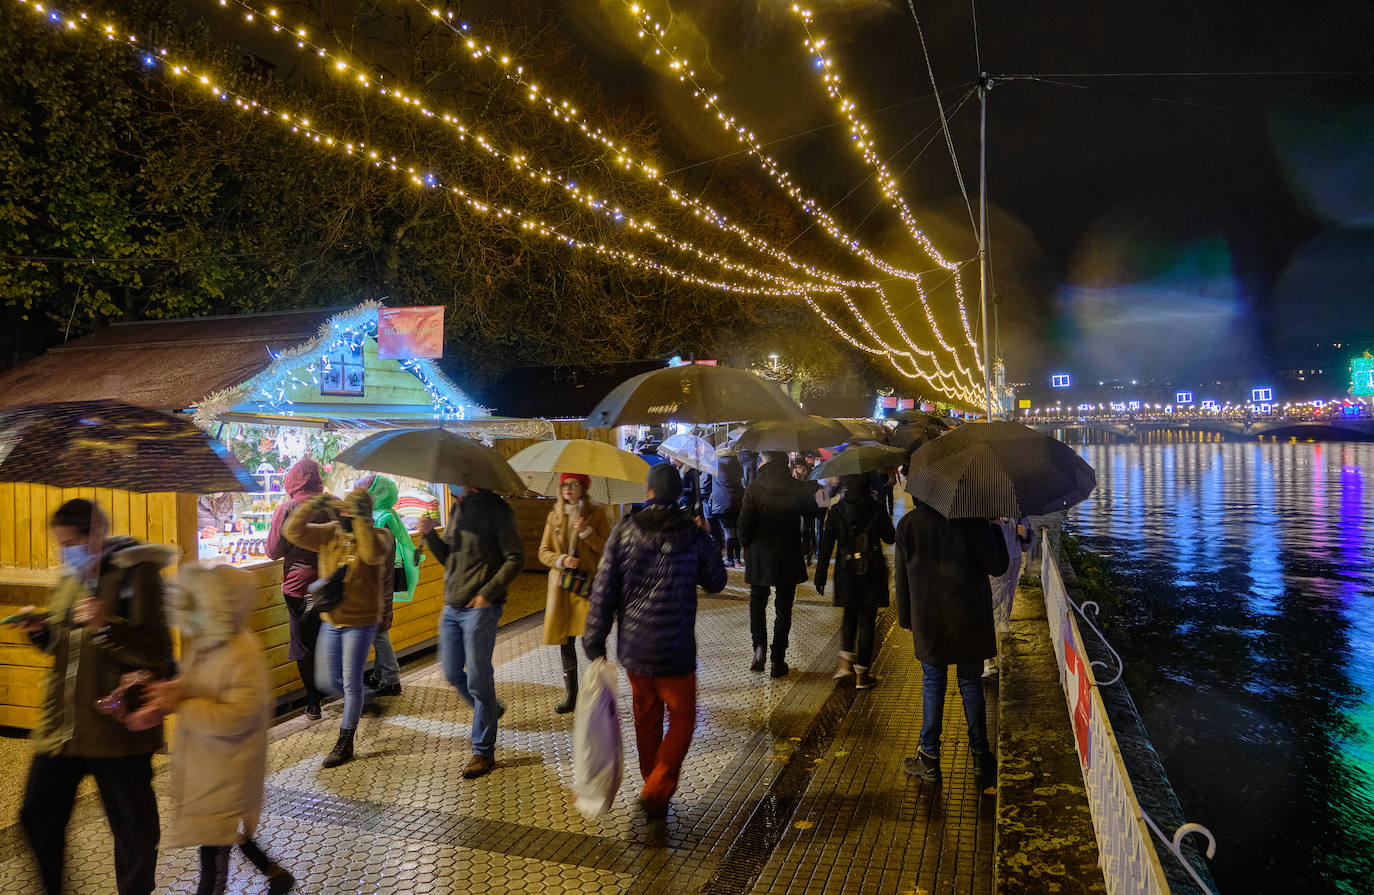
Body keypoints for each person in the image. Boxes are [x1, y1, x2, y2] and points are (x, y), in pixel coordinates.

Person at [12, 499, 175, 895]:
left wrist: (107, 624)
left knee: (132, 829)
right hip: (63, 728)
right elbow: (64, 646)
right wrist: (40, 632)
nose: (64, 551)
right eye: (60, 544)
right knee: (37, 816)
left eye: (71, 542)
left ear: (95, 535)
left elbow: (156, 650)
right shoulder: (72, 577)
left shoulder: (139, 574)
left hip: (116, 729)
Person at [584, 464, 727, 818]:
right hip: (677, 649)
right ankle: (657, 787)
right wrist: (708, 538)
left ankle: (653, 787)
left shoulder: (624, 532)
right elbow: (717, 582)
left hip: (636, 649)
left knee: (647, 720)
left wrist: (594, 639)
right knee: (682, 718)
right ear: (678, 494)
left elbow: (603, 589)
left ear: (647, 492)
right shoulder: (693, 535)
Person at [147, 563, 294, 895]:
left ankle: (275, 874)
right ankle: (274, 873)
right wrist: (176, 690)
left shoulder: (242, 653)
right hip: (209, 767)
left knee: (213, 858)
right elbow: (200, 685)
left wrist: (182, 704)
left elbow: (237, 716)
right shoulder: (207, 642)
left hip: (228, 769)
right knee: (220, 836)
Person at [895, 499, 1009, 785]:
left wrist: (905, 619)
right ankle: (981, 756)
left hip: (929, 619)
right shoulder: (974, 520)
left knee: (933, 683)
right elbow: (998, 565)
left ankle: (930, 757)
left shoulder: (909, 524)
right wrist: (994, 526)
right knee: (971, 684)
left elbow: (901, 577)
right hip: (969, 616)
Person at [419, 484, 524, 780]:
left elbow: (515, 558)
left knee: (478, 679)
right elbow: (449, 559)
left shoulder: (496, 508)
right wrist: (429, 535)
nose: (449, 483)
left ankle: (483, 751)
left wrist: (488, 593)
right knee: (452, 673)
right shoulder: (457, 507)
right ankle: (489, 708)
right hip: (452, 607)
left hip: (480, 608)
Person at [284, 487, 393, 769]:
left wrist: (360, 522)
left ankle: (345, 742)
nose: (344, 515)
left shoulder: (380, 537)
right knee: (326, 681)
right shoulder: (330, 533)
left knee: (350, 681)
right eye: (344, 510)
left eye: (351, 510)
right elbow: (292, 533)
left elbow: (370, 555)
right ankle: (367, 699)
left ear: (364, 513)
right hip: (331, 620)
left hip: (361, 621)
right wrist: (311, 505)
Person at [265, 458, 334, 719]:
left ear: (292, 480)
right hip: (333, 582)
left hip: (298, 587)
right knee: (332, 639)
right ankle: (341, 691)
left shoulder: (287, 509)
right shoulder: (334, 503)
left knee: (305, 644)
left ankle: (313, 703)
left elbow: (273, 551)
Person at [737, 451, 817, 678]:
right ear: (785, 463)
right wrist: (816, 489)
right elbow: (816, 510)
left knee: (757, 603)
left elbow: (743, 528)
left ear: (765, 461)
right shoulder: (796, 486)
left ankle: (759, 648)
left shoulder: (754, 488)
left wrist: (746, 542)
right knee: (784, 607)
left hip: (759, 558)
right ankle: (777, 660)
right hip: (788, 555)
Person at [537, 473, 610, 714]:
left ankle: (601, 692)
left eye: (574, 484)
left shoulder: (596, 514)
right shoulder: (553, 516)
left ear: (583, 488)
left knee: (592, 640)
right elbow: (543, 552)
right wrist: (561, 559)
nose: (568, 488)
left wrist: (587, 532)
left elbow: (607, 550)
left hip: (587, 588)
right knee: (565, 641)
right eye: (564, 484)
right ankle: (572, 694)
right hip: (561, 589)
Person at [814, 473, 896, 689]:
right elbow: (891, 537)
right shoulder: (876, 508)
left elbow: (825, 545)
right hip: (871, 570)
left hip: (846, 570)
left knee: (849, 614)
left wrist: (820, 575)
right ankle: (862, 675)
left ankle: (845, 663)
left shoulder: (837, 511)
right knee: (867, 621)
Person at [357, 474, 419, 698]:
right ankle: (379, 675)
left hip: (378, 581)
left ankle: (392, 679)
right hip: (381, 580)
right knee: (378, 629)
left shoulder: (381, 518)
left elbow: (374, 554)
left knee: (378, 631)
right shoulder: (384, 514)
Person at [986, 517, 1032, 678]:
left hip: (1013, 564)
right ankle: (986, 660)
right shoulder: (988, 512)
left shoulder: (1019, 511)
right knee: (990, 608)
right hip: (996, 564)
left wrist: (1025, 534)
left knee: (1004, 610)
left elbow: (1027, 544)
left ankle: (994, 656)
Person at [708, 451, 745, 567]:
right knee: (736, 530)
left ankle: (729, 559)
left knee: (728, 531)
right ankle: (737, 559)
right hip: (738, 500)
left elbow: (706, 484)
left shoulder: (716, 465)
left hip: (722, 501)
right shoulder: (739, 464)